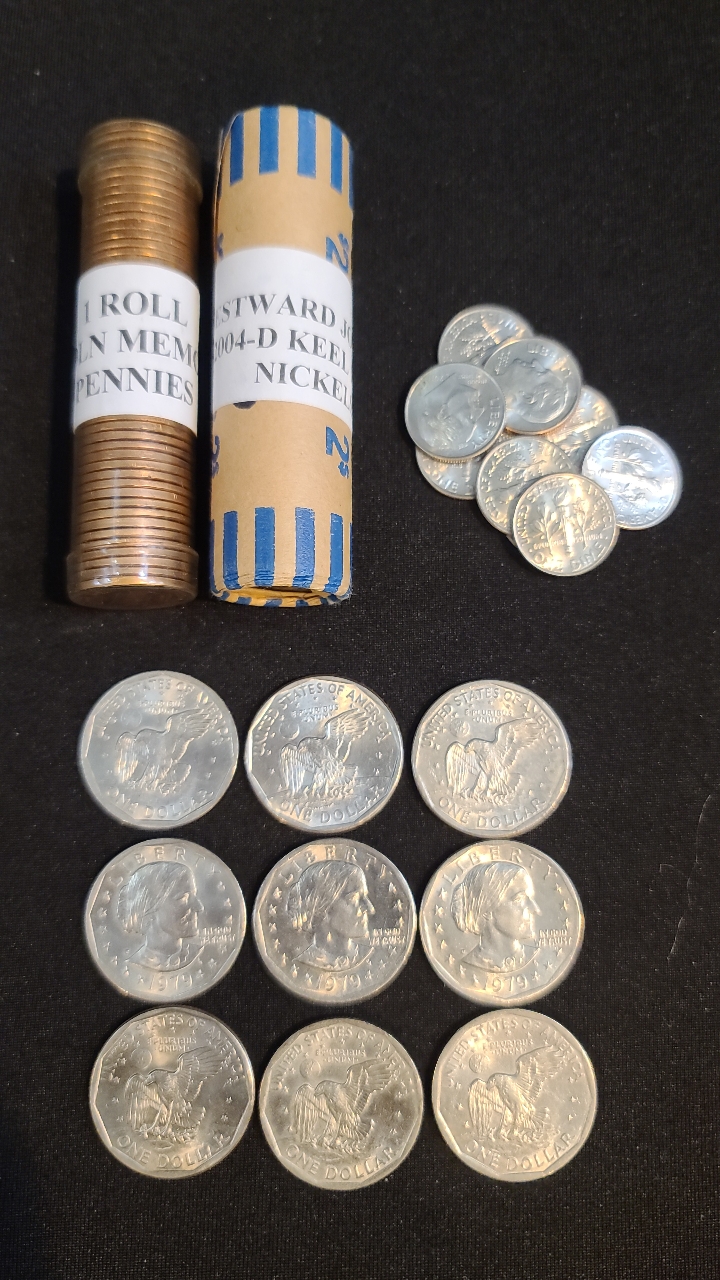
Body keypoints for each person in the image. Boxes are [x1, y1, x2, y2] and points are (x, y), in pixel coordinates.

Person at [451, 860, 540, 973]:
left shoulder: (537, 957)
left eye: (530, 898)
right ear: (486, 910)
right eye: (519, 899)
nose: (535, 909)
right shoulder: (468, 964)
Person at [287, 860, 375, 971]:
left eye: (365, 897)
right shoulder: (302, 964)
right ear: (324, 908)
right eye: (354, 898)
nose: (370, 909)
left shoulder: (368, 955)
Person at [117, 862, 202, 971]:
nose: (199, 907)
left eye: (194, 895)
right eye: (182, 898)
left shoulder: (198, 954)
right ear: (149, 908)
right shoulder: (134, 964)